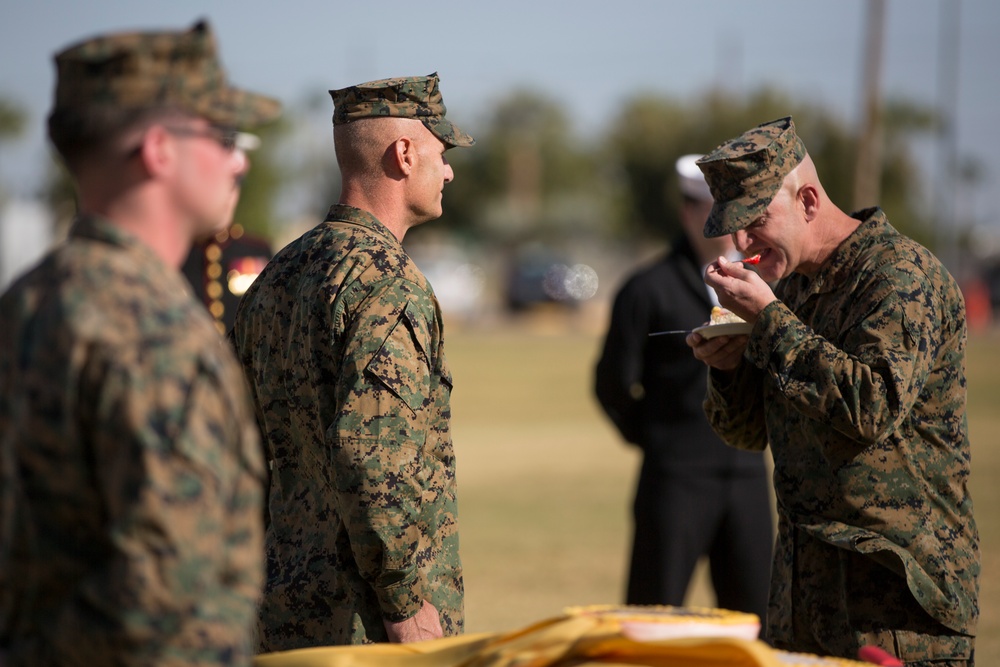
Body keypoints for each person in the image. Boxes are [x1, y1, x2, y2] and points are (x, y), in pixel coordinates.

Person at [0, 20, 281, 667]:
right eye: (223, 136)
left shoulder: (28, 303)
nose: (240, 158)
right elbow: (167, 598)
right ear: (159, 149)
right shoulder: (152, 331)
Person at [687, 116, 979, 665]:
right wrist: (727, 368)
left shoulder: (899, 276)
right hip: (805, 600)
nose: (742, 242)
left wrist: (771, 322)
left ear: (809, 202)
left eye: (756, 221)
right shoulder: (791, 287)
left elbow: (871, 407)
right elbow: (748, 433)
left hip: (897, 609)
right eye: (733, 227)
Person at [229, 73, 474, 650]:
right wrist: (405, 601)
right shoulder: (387, 283)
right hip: (363, 626)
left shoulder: (278, 274)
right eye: (442, 155)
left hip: (281, 608)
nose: (449, 172)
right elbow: (374, 457)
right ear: (404, 153)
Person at [594, 155, 772, 620]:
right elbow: (611, 383)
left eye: (723, 209)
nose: (713, 221)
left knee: (760, 621)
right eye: (701, 207)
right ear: (685, 212)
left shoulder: (764, 286)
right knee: (653, 617)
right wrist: (657, 439)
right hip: (676, 479)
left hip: (750, 475)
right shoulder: (646, 288)